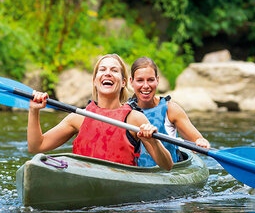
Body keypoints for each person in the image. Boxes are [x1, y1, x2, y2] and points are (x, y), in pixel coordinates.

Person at [27, 54, 173, 171]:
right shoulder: (78, 118)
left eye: (114, 70)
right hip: (84, 184)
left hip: (122, 199)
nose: (107, 73)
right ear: (95, 81)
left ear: (123, 82)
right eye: (102, 70)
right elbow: (36, 146)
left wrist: (153, 142)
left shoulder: (135, 119)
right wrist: (34, 111)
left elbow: (167, 166)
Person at [129, 56, 210, 167]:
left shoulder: (171, 110)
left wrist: (201, 142)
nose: (146, 86)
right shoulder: (125, 111)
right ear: (131, 81)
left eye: (150, 80)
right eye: (140, 80)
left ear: (157, 80)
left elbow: (198, 141)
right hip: (136, 175)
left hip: (168, 173)